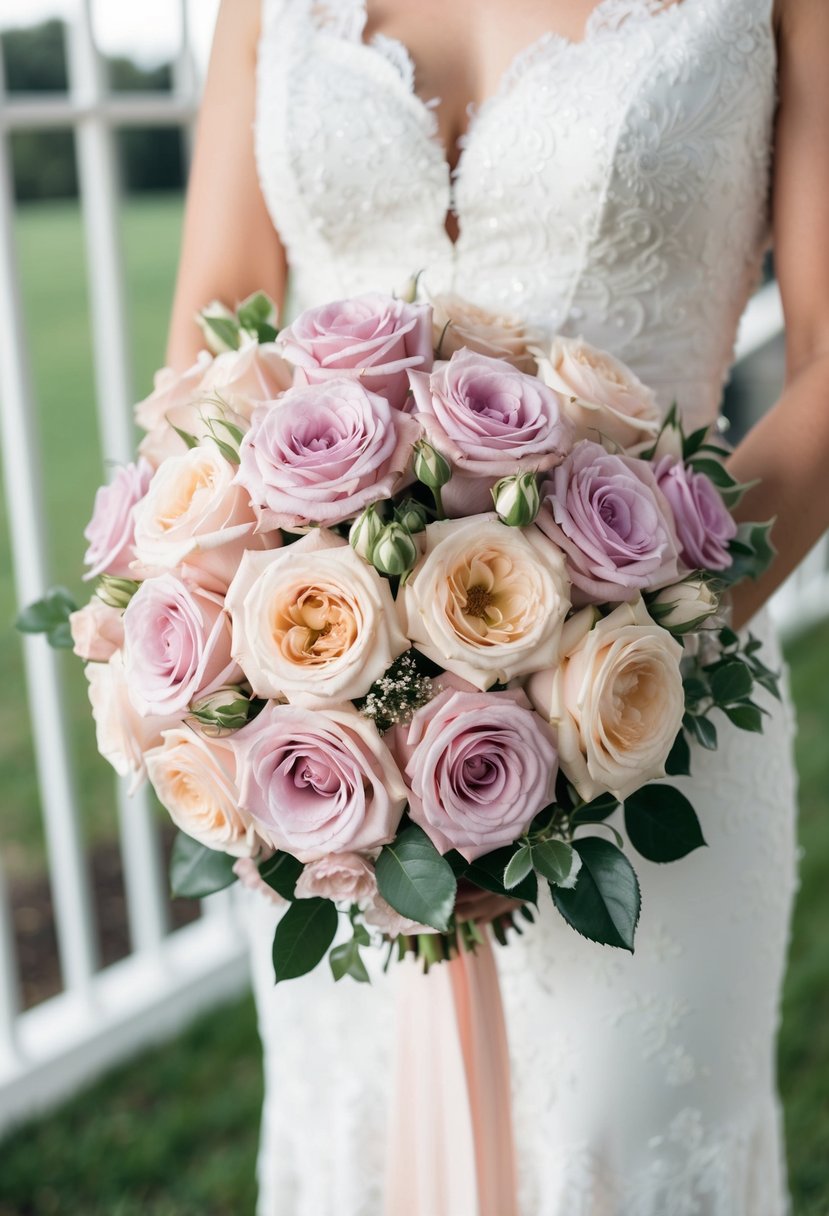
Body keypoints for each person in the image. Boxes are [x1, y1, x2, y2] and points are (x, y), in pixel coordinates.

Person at [164, 1, 829, 1211]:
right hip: (324, 752)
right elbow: (213, 315)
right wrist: (239, 633)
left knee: (617, 1152)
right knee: (353, 1137)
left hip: (652, 719)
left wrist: (631, 641)